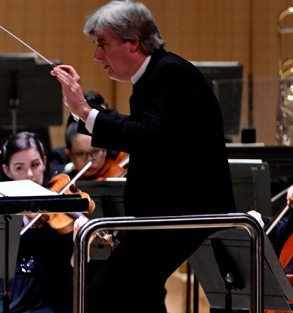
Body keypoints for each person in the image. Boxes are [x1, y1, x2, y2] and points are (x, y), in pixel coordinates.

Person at [50, 1, 236, 312]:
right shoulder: (153, 78)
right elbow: (152, 139)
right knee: (139, 296)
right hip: (164, 216)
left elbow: (148, 137)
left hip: (184, 216)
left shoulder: (171, 74)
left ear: (133, 42)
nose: (97, 55)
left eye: (102, 44)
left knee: (103, 295)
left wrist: (84, 111)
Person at [0, 131, 77, 313]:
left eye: (35, 165)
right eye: (20, 168)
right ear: (7, 170)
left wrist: (80, 238)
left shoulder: (61, 201)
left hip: (50, 296)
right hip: (10, 293)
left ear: (44, 162)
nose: (30, 174)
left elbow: (74, 268)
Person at [64, 122, 129, 181]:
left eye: (95, 152)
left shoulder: (119, 177)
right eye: (81, 154)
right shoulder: (66, 182)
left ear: (105, 150)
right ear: (69, 155)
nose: (89, 160)